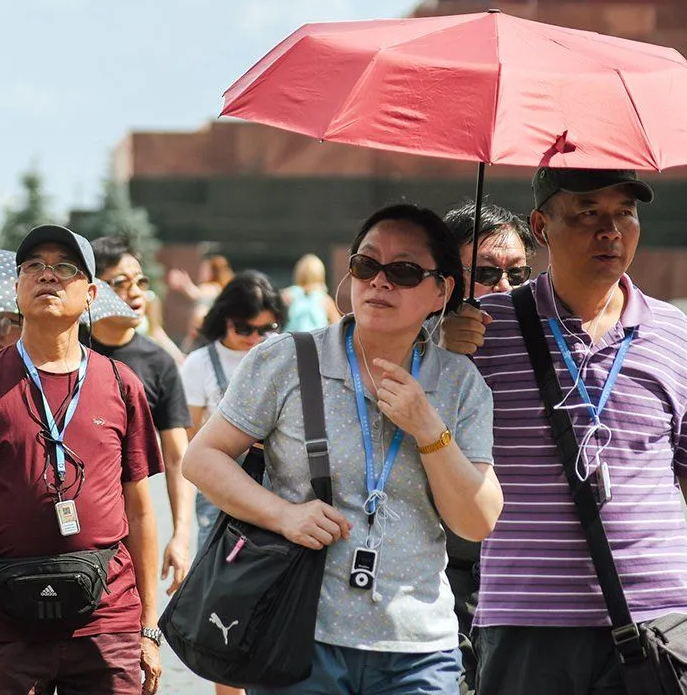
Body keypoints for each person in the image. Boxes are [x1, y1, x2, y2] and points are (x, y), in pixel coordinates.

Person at [442, 169, 687, 695]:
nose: (610, 229)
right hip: (527, 625)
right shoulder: (482, 331)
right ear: (541, 225)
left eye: (625, 212)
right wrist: (432, 348)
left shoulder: (672, 331)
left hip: (662, 621)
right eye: (588, 211)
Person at [182, 203, 501, 694]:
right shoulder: (286, 359)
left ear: (442, 291)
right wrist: (281, 514)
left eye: (405, 271)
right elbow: (202, 458)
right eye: (367, 265)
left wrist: (428, 429)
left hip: (418, 649)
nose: (380, 282)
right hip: (298, 633)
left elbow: (476, 520)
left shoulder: (460, 384)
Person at [0, 225, 164, 695]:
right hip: (5, 618)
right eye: (33, 267)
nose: (48, 276)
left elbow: (141, 511)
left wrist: (149, 627)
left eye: (64, 267)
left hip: (108, 618)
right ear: (16, 288)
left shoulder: (121, 384)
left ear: (91, 292)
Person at [440, 199, 538, 692]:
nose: (504, 288)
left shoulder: (547, 331)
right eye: (486, 272)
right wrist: (433, 346)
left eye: (518, 274)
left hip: (528, 564)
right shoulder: (411, 336)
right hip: (440, 559)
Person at [90, 236, 196, 593]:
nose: (136, 292)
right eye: (121, 282)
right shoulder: (67, 352)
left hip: (131, 528)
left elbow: (179, 457)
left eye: (141, 281)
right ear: (92, 289)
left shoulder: (159, 364)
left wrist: (180, 536)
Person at [180, 271, 285, 562]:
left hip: (277, 483)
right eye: (244, 328)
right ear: (224, 319)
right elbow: (193, 436)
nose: (255, 338)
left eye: (267, 328)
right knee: (215, 570)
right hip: (220, 486)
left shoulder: (281, 355)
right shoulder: (199, 364)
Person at [281, 254, 341, 333]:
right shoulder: (325, 300)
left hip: (290, 342)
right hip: (316, 343)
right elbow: (338, 327)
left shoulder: (287, 295)